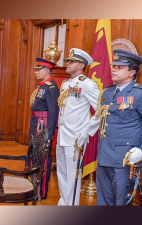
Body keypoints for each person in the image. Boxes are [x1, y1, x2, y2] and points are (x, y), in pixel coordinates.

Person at [96, 49, 142, 205]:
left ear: (131, 73)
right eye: (113, 66)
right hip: (104, 155)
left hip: (124, 158)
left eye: (119, 67)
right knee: (104, 201)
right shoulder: (107, 92)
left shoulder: (138, 94)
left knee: (121, 203)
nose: (113, 70)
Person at [56, 48, 100, 205]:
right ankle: (64, 202)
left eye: (71, 61)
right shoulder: (66, 83)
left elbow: (100, 110)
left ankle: (72, 206)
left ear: (81, 65)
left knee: (73, 174)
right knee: (61, 172)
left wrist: (86, 132)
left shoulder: (87, 84)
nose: (67, 64)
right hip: (62, 135)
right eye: (68, 60)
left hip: (76, 138)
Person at [29, 57, 59, 199]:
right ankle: (33, 186)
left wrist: (49, 134)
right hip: (35, 125)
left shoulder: (51, 88)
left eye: (38, 70)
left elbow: (53, 112)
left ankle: (42, 192)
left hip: (42, 127)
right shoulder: (42, 86)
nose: (36, 72)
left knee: (43, 159)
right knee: (33, 157)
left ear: (47, 71)